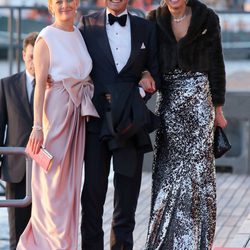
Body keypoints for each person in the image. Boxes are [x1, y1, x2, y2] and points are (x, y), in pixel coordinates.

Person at [145, 0, 227, 249]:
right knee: (168, 176)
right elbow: (147, 61)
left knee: (198, 176)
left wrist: (218, 109)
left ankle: (195, 243)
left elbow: (216, 64)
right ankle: (164, 242)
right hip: (169, 107)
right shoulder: (153, 20)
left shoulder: (207, 17)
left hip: (200, 107)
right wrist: (144, 76)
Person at [17, 0, 98, 249]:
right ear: (52, 6)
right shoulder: (46, 37)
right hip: (55, 117)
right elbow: (40, 85)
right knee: (53, 191)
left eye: (70, 0)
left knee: (71, 189)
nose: (65, 5)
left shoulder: (79, 34)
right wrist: (38, 127)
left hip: (77, 117)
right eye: (59, 1)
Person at [78, 0, 160, 249]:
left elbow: (155, 70)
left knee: (126, 202)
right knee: (92, 198)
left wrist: (139, 94)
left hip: (130, 124)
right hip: (97, 123)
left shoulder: (145, 28)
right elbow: (74, 63)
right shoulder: (86, 24)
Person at [0, 32, 38, 250]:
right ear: (24, 55)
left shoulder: (54, 88)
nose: (34, 62)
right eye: (31, 57)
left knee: (43, 234)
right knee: (17, 235)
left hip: (46, 172)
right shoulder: (6, 85)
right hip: (15, 171)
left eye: (39, 57)